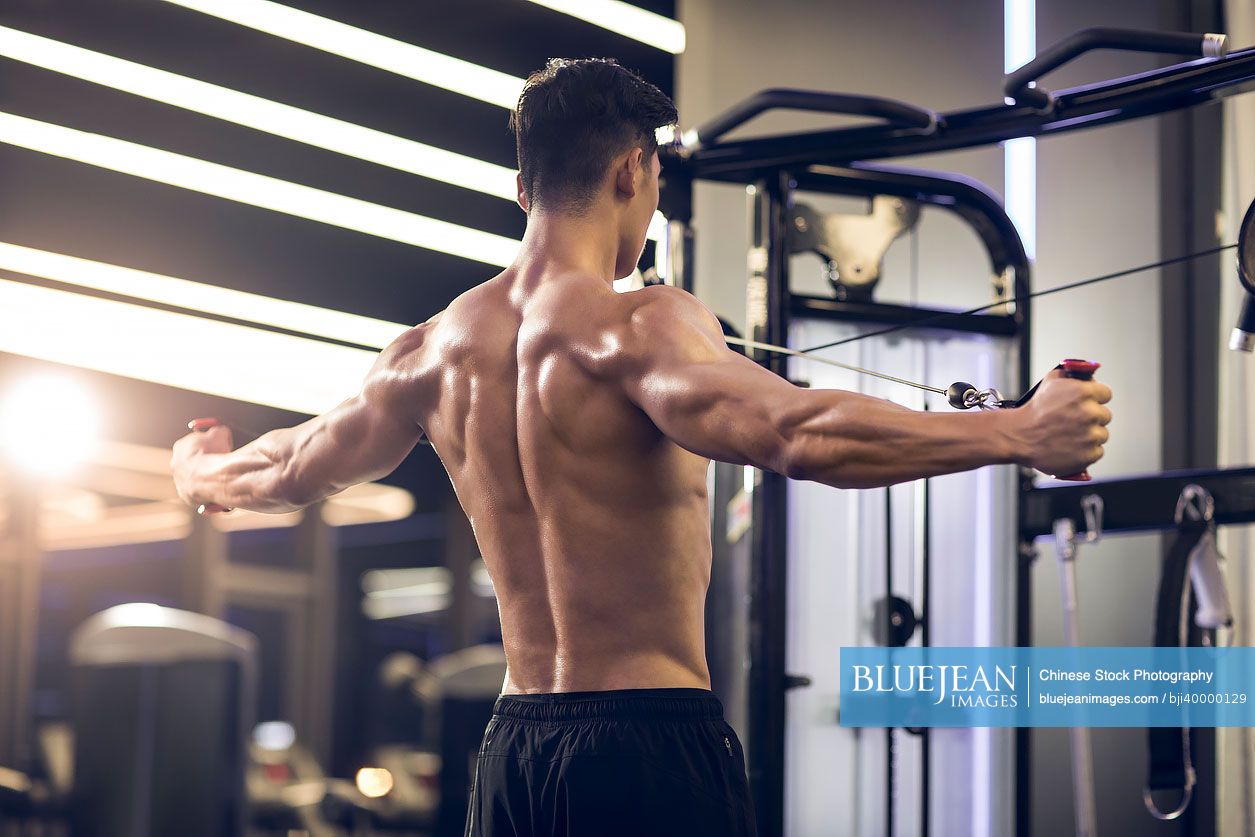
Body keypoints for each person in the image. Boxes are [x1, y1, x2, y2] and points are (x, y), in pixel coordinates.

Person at [171, 57, 1113, 837]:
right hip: (645, 747)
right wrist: (1017, 430)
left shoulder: (425, 353)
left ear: (521, 185)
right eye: (653, 187)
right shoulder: (638, 327)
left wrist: (201, 471)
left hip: (512, 752)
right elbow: (797, 432)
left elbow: (289, 467)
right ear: (632, 171)